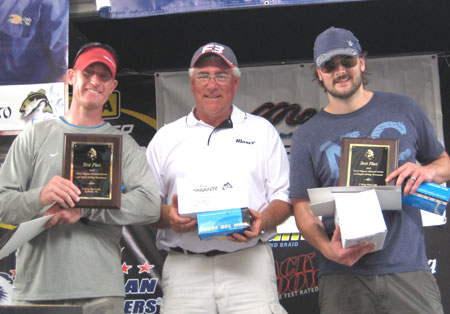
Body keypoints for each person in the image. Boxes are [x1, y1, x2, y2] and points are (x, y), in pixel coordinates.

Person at [289, 26, 450, 314]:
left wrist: (428, 172)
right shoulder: (306, 136)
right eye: (329, 65)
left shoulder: (404, 108)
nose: (340, 71)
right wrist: (328, 250)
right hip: (341, 275)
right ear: (319, 73)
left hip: (407, 268)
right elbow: (301, 205)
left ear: (361, 63)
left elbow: (444, 163)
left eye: (347, 61)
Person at [0, 42, 160, 313]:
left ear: (112, 86)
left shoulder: (123, 144)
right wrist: (41, 195)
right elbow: (3, 203)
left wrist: (86, 207)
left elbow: (150, 204)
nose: (95, 81)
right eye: (88, 72)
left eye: (104, 76)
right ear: (72, 76)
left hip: (99, 293)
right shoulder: (34, 136)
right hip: (36, 291)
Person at [146, 42, 291, 314]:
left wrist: (264, 221)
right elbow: (148, 206)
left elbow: (282, 198)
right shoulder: (165, 138)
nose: (212, 85)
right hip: (185, 270)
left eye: (221, 75)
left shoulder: (262, 131)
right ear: (192, 84)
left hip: (249, 266)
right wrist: (169, 218)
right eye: (203, 75)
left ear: (235, 83)